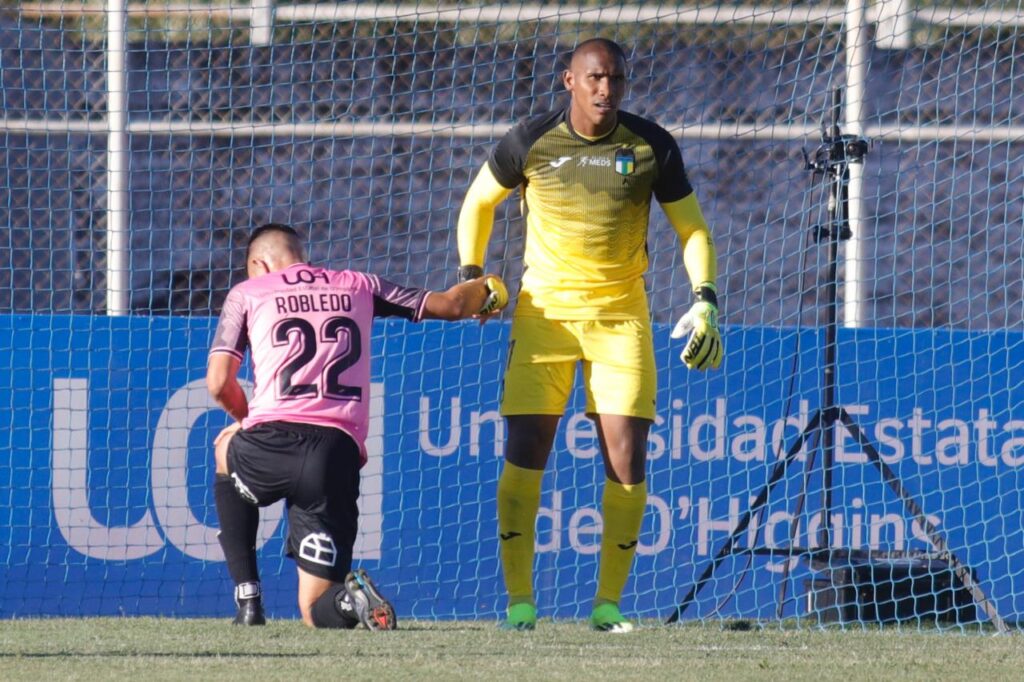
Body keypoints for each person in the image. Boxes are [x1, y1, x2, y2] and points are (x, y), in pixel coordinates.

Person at [456, 38, 723, 632]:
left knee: (626, 461)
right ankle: (520, 604)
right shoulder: (531, 139)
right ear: (569, 81)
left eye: (617, 80)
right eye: (597, 78)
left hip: (621, 320)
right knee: (525, 458)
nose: (607, 90)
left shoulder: (650, 145)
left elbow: (693, 230)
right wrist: (472, 277)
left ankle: (607, 607)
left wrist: (705, 300)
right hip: (543, 316)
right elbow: (478, 201)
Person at [207, 223, 508, 628]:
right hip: (334, 455)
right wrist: (490, 287)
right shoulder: (358, 285)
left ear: (258, 263)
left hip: (271, 444)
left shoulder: (247, 293)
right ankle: (351, 602)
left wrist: (246, 422)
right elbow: (453, 306)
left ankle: (248, 601)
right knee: (317, 608)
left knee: (225, 449)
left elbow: (219, 384)